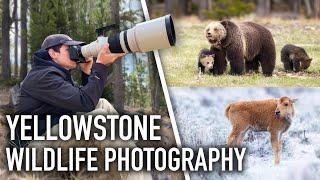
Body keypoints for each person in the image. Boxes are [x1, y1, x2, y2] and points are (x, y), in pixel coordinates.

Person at [14, 34, 125, 147]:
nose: (74, 53)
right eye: (69, 49)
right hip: (32, 147)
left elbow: (83, 101)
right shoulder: (43, 76)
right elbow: (85, 102)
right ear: (53, 53)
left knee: (102, 104)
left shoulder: (56, 73)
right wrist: (101, 65)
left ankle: (127, 149)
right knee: (97, 118)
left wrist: (86, 73)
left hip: (51, 133)